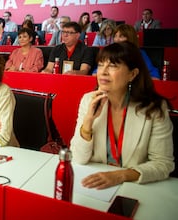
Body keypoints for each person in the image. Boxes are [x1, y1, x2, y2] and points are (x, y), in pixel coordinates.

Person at [70, 42, 174, 189]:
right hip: (94, 183)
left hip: (136, 186)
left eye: (113, 66)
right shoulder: (89, 100)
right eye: (100, 65)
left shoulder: (154, 108)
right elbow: (78, 158)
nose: (103, 72)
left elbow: (163, 164)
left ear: (132, 74)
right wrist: (88, 121)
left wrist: (121, 175)